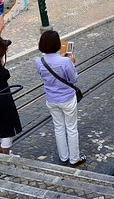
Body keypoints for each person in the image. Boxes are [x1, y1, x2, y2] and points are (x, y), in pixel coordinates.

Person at [36, 31, 86, 167]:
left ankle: (63, 156)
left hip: (51, 99)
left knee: (58, 127)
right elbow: (74, 79)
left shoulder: (39, 61)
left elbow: (44, 74)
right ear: (57, 44)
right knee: (71, 128)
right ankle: (75, 158)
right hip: (67, 99)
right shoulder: (65, 61)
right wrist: (72, 63)